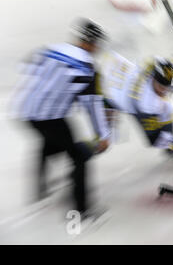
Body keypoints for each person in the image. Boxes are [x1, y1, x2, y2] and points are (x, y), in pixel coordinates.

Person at [13, 19, 111, 217]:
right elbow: (91, 105)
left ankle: (41, 189)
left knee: (50, 142)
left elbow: (25, 68)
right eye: (97, 44)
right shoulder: (87, 68)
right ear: (91, 43)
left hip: (25, 112)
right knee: (80, 155)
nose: (97, 48)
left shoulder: (49, 49)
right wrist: (103, 135)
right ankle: (82, 211)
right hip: (51, 116)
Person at [98, 51, 173, 159]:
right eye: (161, 86)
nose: (164, 90)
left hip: (115, 69)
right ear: (153, 78)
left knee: (166, 109)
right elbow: (154, 139)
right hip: (111, 95)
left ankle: (171, 144)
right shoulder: (144, 103)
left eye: (167, 87)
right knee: (108, 137)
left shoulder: (158, 63)